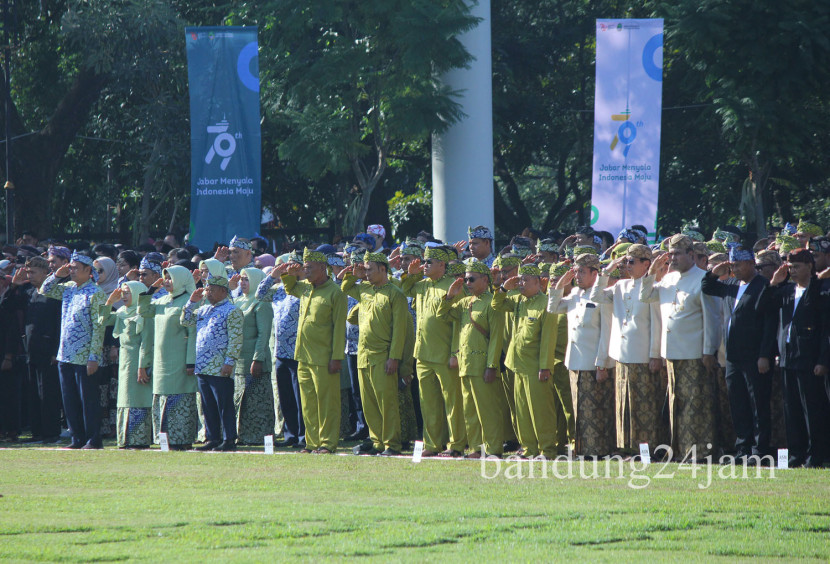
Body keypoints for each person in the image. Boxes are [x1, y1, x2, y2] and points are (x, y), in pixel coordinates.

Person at [639, 234, 722, 461]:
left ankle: (701, 453)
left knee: (696, 404)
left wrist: (708, 351)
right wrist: (652, 272)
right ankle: (681, 451)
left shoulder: (704, 278)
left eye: (677, 254)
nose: (672, 258)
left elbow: (712, 319)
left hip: (695, 354)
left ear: (691, 255)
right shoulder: (667, 279)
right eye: (670, 253)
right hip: (672, 353)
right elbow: (645, 296)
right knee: (677, 404)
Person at [701, 244, 777, 460]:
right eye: (732, 264)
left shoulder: (763, 286)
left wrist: (764, 355)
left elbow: (769, 324)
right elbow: (707, 287)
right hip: (733, 356)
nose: (734, 268)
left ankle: (759, 449)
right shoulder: (731, 284)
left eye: (738, 264)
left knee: (757, 404)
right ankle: (743, 448)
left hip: (754, 356)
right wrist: (714, 272)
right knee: (738, 403)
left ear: (752, 264)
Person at [588, 244, 663, 456]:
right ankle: (629, 450)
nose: (627, 265)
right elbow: (596, 296)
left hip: (642, 357)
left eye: (632, 261)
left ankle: (647, 454)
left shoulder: (652, 287)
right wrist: (607, 270)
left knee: (644, 407)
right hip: (622, 356)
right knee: (625, 406)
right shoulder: (620, 286)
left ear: (646, 264)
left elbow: (656, 324)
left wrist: (654, 354)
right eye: (626, 261)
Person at [764, 249, 830, 468]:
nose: (792, 271)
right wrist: (774, 283)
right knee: (791, 409)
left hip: (809, 360)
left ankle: (815, 455)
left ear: (809, 266)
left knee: (812, 410)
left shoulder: (820, 290)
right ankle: (796, 454)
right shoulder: (787, 290)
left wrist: (822, 360)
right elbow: (764, 306)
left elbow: (825, 330)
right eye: (790, 267)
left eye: (797, 267)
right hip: (788, 357)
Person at [276, 249, 347, 454]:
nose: (305, 270)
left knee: (327, 402)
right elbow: (290, 288)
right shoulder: (305, 288)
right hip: (303, 355)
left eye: (309, 267)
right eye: (304, 267)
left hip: (324, 358)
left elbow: (339, 329)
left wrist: (336, 358)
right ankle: (311, 442)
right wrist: (290, 272)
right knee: (307, 403)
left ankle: (327, 443)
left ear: (323, 268)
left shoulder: (335, 292)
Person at [340, 252, 410, 455]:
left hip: (383, 356)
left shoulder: (395, 294)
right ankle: (377, 442)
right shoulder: (365, 290)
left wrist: (394, 357)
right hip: (363, 354)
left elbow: (399, 330)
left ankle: (392, 444)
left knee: (386, 403)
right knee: (369, 403)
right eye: (366, 269)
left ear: (383, 269)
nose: (367, 273)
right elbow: (345, 287)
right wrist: (356, 274)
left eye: (370, 269)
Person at [548, 252, 615, 457]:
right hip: (575, 361)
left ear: (595, 273)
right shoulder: (576, 293)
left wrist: (602, 363)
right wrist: (560, 285)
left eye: (582, 272)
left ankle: (599, 450)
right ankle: (583, 450)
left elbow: (606, 331)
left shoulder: (602, 295)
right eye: (575, 272)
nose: (577, 276)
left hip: (593, 362)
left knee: (595, 411)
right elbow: (553, 308)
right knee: (579, 410)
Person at [401, 246, 466, 457]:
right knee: (428, 403)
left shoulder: (453, 286)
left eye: (429, 262)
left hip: (445, 353)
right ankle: (431, 444)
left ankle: (456, 444)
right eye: (424, 261)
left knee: (452, 402)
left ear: (442, 265)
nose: (424, 265)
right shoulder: (421, 285)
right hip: (423, 354)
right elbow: (405, 289)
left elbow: (459, 323)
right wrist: (411, 274)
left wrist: (455, 353)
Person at [40, 251, 107, 449]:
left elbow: (99, 328)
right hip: (65, 354)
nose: (72, 271)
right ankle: (76, 438)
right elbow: (44, 289)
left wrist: (94, 357)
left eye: (76, 268)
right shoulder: (68, 288)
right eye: (71, 268)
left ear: (88, 270)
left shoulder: (97, 294)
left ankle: (93, 439)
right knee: (69, 400)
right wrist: (57, 275)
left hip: (85, 356)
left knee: (88, 400)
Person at [439, 259, 504, 458]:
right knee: (470, 411)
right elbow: (442, 315)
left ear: (485, 280)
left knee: (487, 411)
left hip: (483, 364)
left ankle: (493, 449)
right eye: (466, 279)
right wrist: (450, 295)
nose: (467, 283)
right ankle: (476, 448)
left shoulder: (492, 303)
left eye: (471, 279)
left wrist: (492, 366)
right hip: (466, 363)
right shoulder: (465, 302)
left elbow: (496, 338)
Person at [493, 264, 558, 459]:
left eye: (525, 280)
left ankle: (547, 449)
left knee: (540, 410)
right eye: (519, 279)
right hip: (517, 364)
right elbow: (497, 304)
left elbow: (548, 338)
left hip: (535, 366)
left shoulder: (546, 303)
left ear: (538, 282)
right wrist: (504, 288)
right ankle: (529, 448)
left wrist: (545, 366)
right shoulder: (519, 301)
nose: (521, 283)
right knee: (521, 410)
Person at [182, 272, 244, 452]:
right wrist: (191, 302)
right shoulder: (203, 309)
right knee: (207, 404)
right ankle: (212, 438)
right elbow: (185, 320)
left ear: (224, 291)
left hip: (219, 365)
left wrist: (229, 361)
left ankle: (229, 439)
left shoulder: (232, 311)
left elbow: (236, 339)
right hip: (203, 364)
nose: (207, 293)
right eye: (207, 289)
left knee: (223, 404)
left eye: (212, 289)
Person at [137, 266, 198, 450]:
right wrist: (151, 290)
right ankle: (164, 439)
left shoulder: (190, 301)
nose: (167, 281)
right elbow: (143, 311)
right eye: (166, 278)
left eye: (171, 278)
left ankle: (182, 439)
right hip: (161, 360)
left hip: (180, 360)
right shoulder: (162, 301)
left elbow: (193, 333)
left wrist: (190, 361)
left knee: (180, 395)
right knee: (162, 396)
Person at [256, 253, 305, 448]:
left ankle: (303, 436)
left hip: (300, 350)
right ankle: (290, 434)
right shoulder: (278, 290)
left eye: (294, 266)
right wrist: (273, 275)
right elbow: (260, 294)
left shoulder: (305, 289)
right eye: (286, 266)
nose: (289, 269)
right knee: (285, 396)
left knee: (300, 396)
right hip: (281, 350)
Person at [99, 281, 155, 448]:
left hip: (137, 361)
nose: (123, 296)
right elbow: (103, 320)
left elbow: (147, 342)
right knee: (124, 398)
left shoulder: (144, 314)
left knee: (137, 398)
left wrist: (142, 366)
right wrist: (109, 302)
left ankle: (139, 439)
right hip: (125, 361)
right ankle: (125, 439)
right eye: (122, 292)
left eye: (128, 292)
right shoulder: (123, 312)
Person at [12, 257, 62, 443]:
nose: (29, 276)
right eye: (28, 272)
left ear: (45, 272)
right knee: (34, 392)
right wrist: (14, 286)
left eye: (33, 272)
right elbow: (9, 307)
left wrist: (56, 351)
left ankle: (51, 432)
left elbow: (59, 322)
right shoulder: (28, 292)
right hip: (31, 349)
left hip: (48, 349)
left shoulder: (54, 294)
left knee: (48, 392)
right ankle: (37, 432)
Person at [231, 267, 275, 445]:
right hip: (239, 361)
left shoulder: (261, 303)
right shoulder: (238, 301)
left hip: (255, 361)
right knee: (241, 401)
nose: (242, 282)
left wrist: (258, 359)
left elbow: (263, 334)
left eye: (246, 279)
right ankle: (242, 435)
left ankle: (258, 436)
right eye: (241, 279)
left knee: (257, 402)